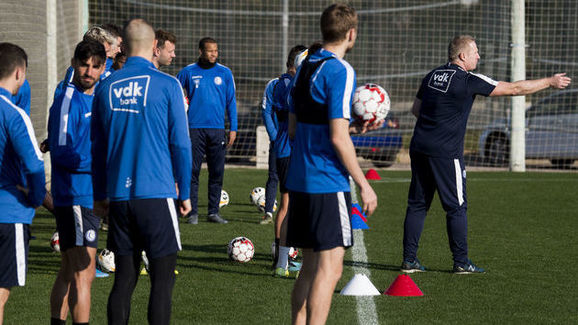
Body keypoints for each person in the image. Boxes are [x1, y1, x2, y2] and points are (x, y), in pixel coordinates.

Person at [402, 35, 571, 274]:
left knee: (418, 204)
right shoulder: (468, 79)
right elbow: (514, 89)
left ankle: (409, 260)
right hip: (446, 152)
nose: (479, 56)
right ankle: (461, 261)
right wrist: (550, 81)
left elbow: (416, 109)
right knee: (456, 206)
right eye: (475, 52)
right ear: (462, 56)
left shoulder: (431, 76)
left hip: (419, 146)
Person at [91, 18, 191, 324]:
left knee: (124, 280)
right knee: (162, 281)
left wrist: (100, 194)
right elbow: (182, 146)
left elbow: (96, 148)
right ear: (154, 47)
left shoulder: (105, 87)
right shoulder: (167, 84)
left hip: (119, 197)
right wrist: (185, 192)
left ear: (125, 45)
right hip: (157, 194)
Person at [285, 4, 378, 324]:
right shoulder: (341, 70)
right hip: (326, 182)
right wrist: (365, 184)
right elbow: (338, 138)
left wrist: (350, 128)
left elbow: (296, 129)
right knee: (330, 270)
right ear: (351, 34)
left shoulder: (305, 66)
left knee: (309, 269)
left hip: (299, 180)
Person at [47, 39, 106, 325]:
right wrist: (100, 165)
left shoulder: (100, 97)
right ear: (74, 64)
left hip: (89, 195)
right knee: (85, 271)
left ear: (103, 68)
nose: (89, 71)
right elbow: (61, 153)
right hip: (75, 194)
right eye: (84, 65)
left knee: (71, 270)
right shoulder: (68, 99)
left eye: (95, 66)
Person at [0, 42, 46, 325]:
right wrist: (35, 198)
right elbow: (34, 164)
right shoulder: (14, 114)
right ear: (19, 72)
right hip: (8, 214)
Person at [177, 37, 237, 224]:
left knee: (217, 172)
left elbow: (231, 102)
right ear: (200, 51)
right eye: (210, 51)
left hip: (217, 130)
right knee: (192, 171)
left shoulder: (225, 73)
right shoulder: (187, 72)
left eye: (216, 51)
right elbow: (176, 98)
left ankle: (213, 212)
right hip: (193, 129)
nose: (214, 54)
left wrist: (233, 128)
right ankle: (192, 212)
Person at [260, 45, 307, 278]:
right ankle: (287, 256)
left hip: (283, 149)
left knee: (287, 202)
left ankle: (282, 257)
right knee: (298, 204)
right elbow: (270, 111)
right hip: (294, 149)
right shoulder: (295, 85)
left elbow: (267, 111)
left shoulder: (281, 84)